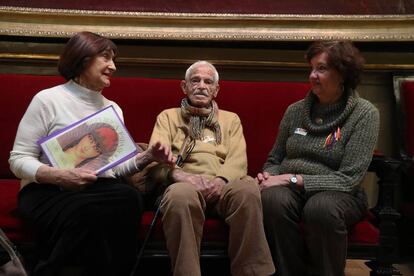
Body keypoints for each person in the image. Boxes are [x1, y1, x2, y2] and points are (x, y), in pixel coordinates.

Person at [9, 31, 173, 276]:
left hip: (96, 189)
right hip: (46, 190)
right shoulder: (47, 100)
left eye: (114, 59)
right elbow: (18, 159)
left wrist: (148, 157)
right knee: (87, 211)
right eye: (106, 58)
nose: (113, 66)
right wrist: (58, 176)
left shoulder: (112, 108)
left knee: (129, 198)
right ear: (83, 58)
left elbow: (114, 169)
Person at [257, 41, 380, 276]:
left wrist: (289, 179)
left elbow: (348, 179)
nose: (313, 75)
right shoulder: (295, 111)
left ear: (343, 73)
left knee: (320, 208)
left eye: (321, 69)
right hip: (291, 190)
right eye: (312, 69)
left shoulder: (365, 113)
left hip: (340, 193)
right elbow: (275, 158)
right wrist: (268, 175)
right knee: (271, 200)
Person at [146, 61, 275, 276]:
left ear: (216, 90)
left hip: (222, 186)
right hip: (184, 186)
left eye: (208, 81)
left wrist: (220, 181)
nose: (201, 86)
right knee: (180, 195)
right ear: (184, 87)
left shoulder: (230, 119)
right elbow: (154, 161)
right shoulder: (167, 117)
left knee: (248, 190)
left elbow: (238, 161)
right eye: (195, 80)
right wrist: (182, 176)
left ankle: (251, 272)